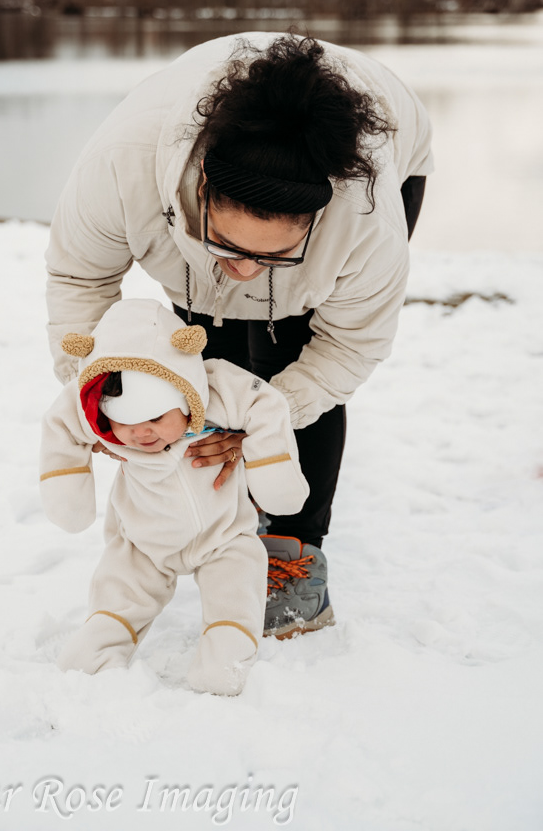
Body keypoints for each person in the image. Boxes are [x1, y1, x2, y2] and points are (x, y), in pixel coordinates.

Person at [45, 32, 433, 636]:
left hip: (388, 144)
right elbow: (78, 280)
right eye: (228, 245)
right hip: (166, 189)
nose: (247, 270)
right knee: (203, 354)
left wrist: (265, 417)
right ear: (200, 188)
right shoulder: (123, 169)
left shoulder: (364, 220)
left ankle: (293, 549)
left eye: (271, 255)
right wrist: (96, 391)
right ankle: (224, 515)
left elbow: (347, 347)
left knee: (290, 352)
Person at [40, 297, 310, 695]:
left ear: (186, 395)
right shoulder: (93, 402)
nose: (142, 433)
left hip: (223, 537)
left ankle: (225, 659)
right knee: (121, 592)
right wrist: (66, 488)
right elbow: (62, 422)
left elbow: (264, 403)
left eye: (155, 417)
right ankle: (95, 653)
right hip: (143, 541)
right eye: (126, 422)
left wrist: (272, 471)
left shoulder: (214, 388)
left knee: (235, 587)